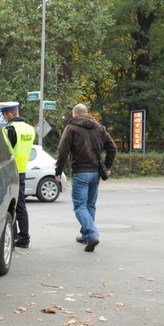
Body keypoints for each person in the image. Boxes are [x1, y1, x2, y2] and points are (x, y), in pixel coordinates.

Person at [54, 103, 117, 252]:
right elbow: (112, 147)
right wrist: (106, 167)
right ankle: (86, 235)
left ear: (74, 114)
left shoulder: (71, 128)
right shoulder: (99, 128)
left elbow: (63, 152)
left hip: (80, 172)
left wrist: (58, 171)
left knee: (80, 206)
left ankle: (92, 234)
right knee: (90, 205)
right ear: (87, 113)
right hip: (95, 172)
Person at [0, 102, 35, 249]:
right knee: (20, 205)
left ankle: (15, 239)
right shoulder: (30, 129)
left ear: (10, 114)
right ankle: (23, 238)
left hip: (9, 172)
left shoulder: (9, 129)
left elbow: (4, 152)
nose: (4, 119)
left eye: (5, 116)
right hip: (22, 171)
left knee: (10, 206)